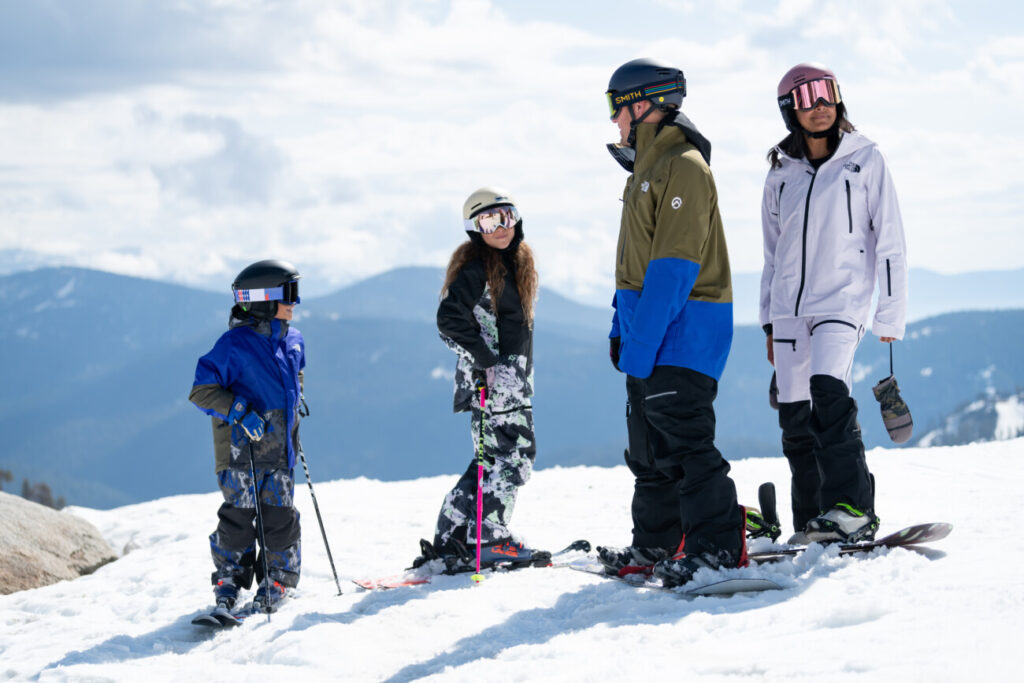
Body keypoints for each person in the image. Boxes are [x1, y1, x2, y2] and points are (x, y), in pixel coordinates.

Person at [597, 58, 747, 588]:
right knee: (648, 451)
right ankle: (659, 543)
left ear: (645, 104)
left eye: (617, 109)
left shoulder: (683, 165)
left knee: (685, 444)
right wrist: (623, 327)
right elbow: (633, 266)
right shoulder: (646, 169)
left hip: (684, 331)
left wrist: (641, 341)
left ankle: (718, 548)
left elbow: (673, 267)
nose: (614, 122)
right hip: (650, 334)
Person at [760, 63, 908, 543]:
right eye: (806, 98)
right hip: (787, 309)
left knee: (829, 392)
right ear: (790, 110)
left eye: (826, 93)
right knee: (795, 416)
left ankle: (852, 509)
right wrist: (767, 322)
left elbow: (890, 239)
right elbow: (771, 251)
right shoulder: (780, 172)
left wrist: (890, 312)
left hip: (841, 303)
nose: (819, 105)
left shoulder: (865, 160)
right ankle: (811, 518)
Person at [415, 187, 549, 571]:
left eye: (505, 216)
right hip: (496, 383)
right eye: (488, 221)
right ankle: (489, 537)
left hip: (508, 382)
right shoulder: (478, 268)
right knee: (513, 457)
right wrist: (485, 358)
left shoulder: (511, 263)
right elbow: (449, 320)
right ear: (474, 229)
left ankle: (455, 533)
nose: (500, 227)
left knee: (490, 459)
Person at [189, 259, 306, 611]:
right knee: (238, 517)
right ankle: (228, 581)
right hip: (240, 452)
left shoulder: (295, 340)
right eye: (290, 293)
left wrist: (297, 400)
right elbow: (201, 391)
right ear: (264, 300)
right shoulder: (233, 345)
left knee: (280, 516)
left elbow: (296, 376)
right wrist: (238, 410)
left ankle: (278, 581)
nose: (295, 302)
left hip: (280, 450)